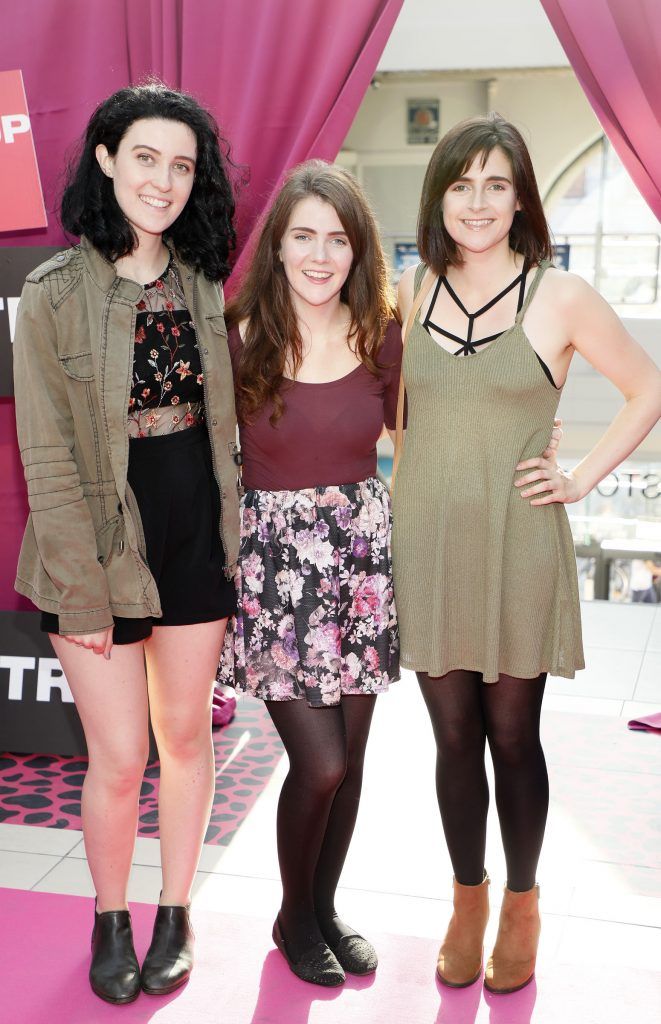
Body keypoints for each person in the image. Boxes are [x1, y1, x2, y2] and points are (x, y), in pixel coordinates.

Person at [392, 112, 661, 995]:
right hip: (428, 544)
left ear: (520, 198)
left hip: (518, 543)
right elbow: (394, 420)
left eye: (495, 184)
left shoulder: (559, 295)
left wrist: (578, 478)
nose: (477, 202)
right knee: (450, 738)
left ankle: (521, 901)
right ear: (439, 194)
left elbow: (647, 385)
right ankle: (465, 900)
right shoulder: (408, 288)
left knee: (512, 738)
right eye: (461, 183)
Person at [13, 82, 240, 1004]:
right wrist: (80, 587)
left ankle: (175, 914)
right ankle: (110, 917)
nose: (164, 179)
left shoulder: (202, 282)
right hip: (97, 541)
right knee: (119, 757)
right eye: (145, 157)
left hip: (194, 532)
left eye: (182, 165)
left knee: (184, 740)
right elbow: (47, 454)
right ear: (106, 159)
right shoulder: (53, 292)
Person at [217, 160, 402, 986]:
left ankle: (324, 905)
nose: (320, 255)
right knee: (319, 763)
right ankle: (293, 916)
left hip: (360, 569)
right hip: (277, 575)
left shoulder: (383, 336)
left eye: (337, 239)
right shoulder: (238, 335)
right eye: (304, 237)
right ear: (278, 245)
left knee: (351, 764)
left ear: (357, 250)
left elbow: (427, 445)